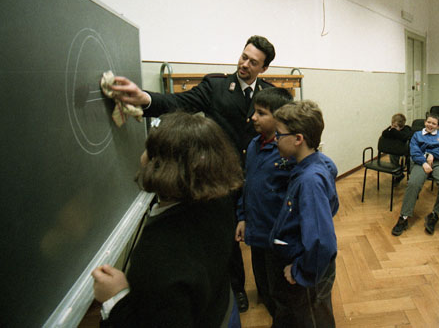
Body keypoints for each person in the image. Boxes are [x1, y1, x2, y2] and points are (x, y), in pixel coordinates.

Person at [109, 35, 277, 311]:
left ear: (264, 68)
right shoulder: (216, 86)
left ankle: (268, 290)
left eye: (253, 62)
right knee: (226, 237)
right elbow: (178, 102)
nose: (244, 64)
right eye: (244, 56)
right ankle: (235, 288)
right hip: (222, 178)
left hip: (255, 176)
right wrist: (145, 99)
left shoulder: (268, 93)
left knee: (259, 229)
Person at [91, 112, 244, 327]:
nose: (142, 156)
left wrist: (115, 299)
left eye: (149, 151)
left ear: (162, 167)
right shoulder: (219, 200)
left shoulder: (158, 256)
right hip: (221, 311)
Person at [268, 100, 339, 327]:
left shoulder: (310, 180)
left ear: (298, 139)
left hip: (306, 275)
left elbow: (321, 243)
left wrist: (301, 272)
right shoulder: (315, 165)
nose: (275, 139)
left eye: (279, 134)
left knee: (313, 319)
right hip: (297, 262)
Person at [235, 88, 293, 318]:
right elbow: (247, 184)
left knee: (279, 287)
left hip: (276, 235)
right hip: (256, 230)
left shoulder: (287, 151)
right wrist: (242, 217)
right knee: (263, 281)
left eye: (261, 113)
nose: (253, 117)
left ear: (279, 117)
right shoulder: (252, 145)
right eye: (254, 111)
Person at [391, 114, 439, 236]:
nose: (430, 125)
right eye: (429, 122)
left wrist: (433, 154)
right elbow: (414, 151)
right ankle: (404, 217)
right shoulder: (417, 135)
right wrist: (424, 162)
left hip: (437, 162)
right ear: (425, 122)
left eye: (434, 123)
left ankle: (435, 214)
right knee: (413, 184)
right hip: (421, 162)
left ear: (438, 126)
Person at [381, 113, 413, 184]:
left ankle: (412, 178)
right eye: (392, 125)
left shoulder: (407, 129)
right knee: (392, 155)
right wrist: (392, 129)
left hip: (408, 150)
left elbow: (403, 137)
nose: (392, 127)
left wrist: (394, 131)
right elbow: (384, 133)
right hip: (397, 150)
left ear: (401, 127)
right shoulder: (393, 129)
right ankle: (399, 175)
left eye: (395, 126)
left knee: (410, 160)